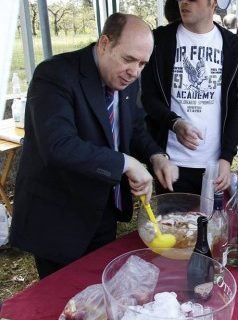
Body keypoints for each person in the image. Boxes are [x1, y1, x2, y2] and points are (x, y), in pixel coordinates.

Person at [9, 13, 173, 279]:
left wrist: (156, 156)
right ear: (104, 44)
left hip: (102, 211)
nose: (135, 71)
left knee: (100, 290)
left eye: (143, 63)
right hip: (59, 218)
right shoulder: (54, 75)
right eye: (129, 59)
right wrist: (125, 163)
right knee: (62, 301)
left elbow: (135, 126)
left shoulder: (127, 78)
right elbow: (58, 145)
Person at [141, 0, 238, 195]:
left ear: (213, 2)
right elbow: (148, 97)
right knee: (173, 224)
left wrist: (226, 157)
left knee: (211, 223)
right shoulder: (159, 41)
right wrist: (174, 122)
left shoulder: (234, 47)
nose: (184, 1)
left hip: (213, 164)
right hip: (170, 163)